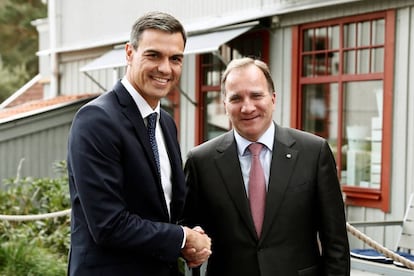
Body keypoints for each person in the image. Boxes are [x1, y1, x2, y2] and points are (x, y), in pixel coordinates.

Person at [67, 11, 211, 276]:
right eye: (153, 55)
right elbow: (108, 225)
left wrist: (188, 236)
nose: (165, 68)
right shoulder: (96, 120)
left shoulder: (165, 122)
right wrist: (182, 237)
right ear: (129, 53)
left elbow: (163, 209)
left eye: (175, 58)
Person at [182, 57, 350, 276]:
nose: (247, 107)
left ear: (273, 98)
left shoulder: (313, 152)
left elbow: (335, 242)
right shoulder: (201, 161)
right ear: (225, 105)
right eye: (236, 98)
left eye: (256, 95)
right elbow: (187, 230)